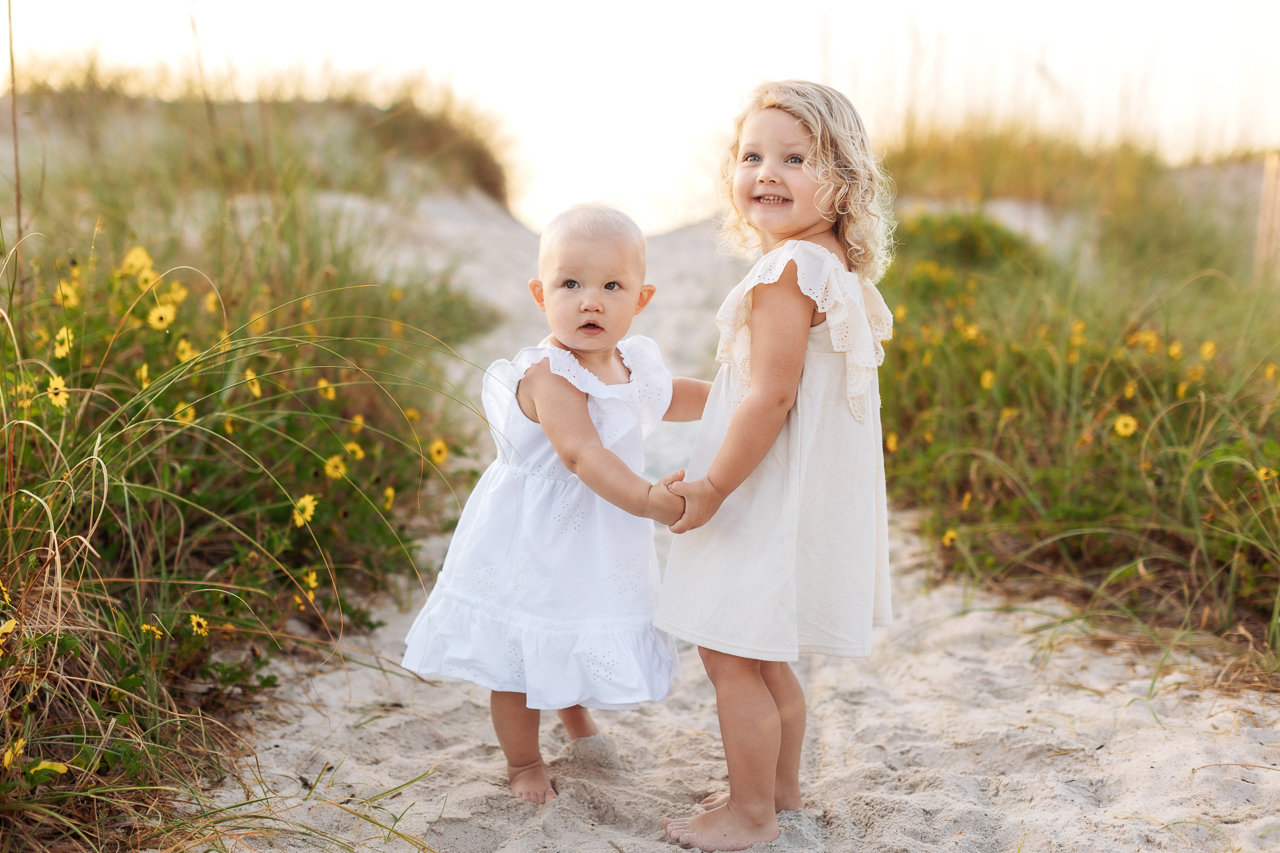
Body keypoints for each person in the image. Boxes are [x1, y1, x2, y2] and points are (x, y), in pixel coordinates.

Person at [401, 202, 710, 804]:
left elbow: (674, 396)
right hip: (534, 534)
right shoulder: (548, 373)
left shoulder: (630, 361)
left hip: (591, 532)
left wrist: (736, 396)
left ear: (640, 300)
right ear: (541, 294)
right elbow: (581, 455)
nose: (589, 301)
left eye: (610, 286)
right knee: (522, 644)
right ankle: (522, 762)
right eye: (570, 284)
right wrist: (648, 499)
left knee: (569, 622)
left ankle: (575, 718)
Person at [656, 80, 896, 851]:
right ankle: (780, 787)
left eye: (796, 157)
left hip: (761, 490)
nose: (768, 171)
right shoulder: (832, 267)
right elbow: (744, 390)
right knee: (764, 652)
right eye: (753, 154)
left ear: (843, 180)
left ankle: (749, 814)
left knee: (730, 653)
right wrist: (656, 394)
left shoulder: (785, 270)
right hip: (799, 491)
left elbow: (769, 397)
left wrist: (714, 485)